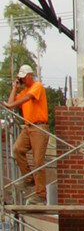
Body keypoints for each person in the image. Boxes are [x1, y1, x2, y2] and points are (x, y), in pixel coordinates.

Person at [6, 63, 51, 203]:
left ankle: (41, 195)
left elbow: (27, 99)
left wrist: (11, 105)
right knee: (17, 149)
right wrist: (15, 87)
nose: (23, 81)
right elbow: (10, 103)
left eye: (24, 78)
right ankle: (28, 179)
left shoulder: (37, 86)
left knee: (38, 161)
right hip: (28, 128)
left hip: (39, 128)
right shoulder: (23, 91)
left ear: (30, 76)